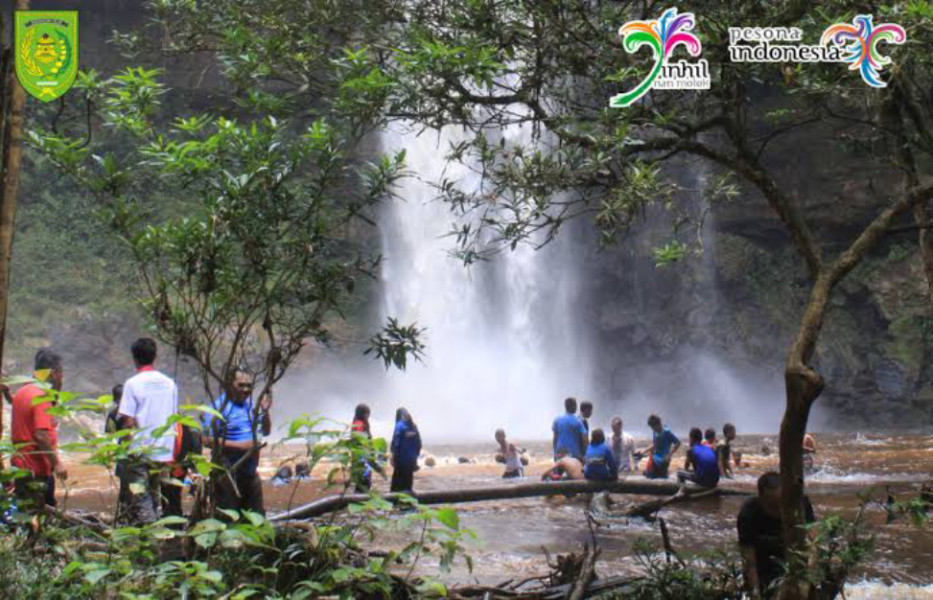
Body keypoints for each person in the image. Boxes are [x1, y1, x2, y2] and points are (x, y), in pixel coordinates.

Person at [118, 338, 179, 524]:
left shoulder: (132, 384)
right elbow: (174, 418)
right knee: (153, 495)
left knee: (140, 498)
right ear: (155, 357)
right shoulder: (170, 384)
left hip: (140, 451)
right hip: (162, 451)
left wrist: (127, 450)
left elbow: (127, 420)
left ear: (134, 358)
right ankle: (151, 539)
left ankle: (151, 538)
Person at [201, 370, 272, 516]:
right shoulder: (217, 408)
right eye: (241, 385)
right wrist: (241, 446)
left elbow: (266, 432)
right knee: (229, 520)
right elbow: (206, 439)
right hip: (228, 474)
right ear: (229, 385)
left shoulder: (251, 406)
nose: (246, 390)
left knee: (256, 520)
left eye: (249, 386)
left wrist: (265, 412)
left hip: (250, 473)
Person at [738, 472, 816, 598]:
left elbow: (813, 542)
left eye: (781, 504)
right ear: (761, 498)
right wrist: (755, 594)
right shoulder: (749, 512)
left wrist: (807, 580)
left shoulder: (800, 503)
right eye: (772, 505)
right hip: (764, 563)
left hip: (796, 560)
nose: (778, 510)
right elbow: (748, 559)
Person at [10, 349, 68, 511]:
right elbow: (41, 434)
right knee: (39, 516)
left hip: (20, 466)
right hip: (35, 469)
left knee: (27, 514)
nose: (62, 379)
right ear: (55, 373)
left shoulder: (23, 391)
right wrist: (57, 463)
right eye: (61, 374)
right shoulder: (41, 395)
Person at [351, 403, 382, 491]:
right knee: (363, 484)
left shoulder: (357, 423)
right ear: (364, 413)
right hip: (362, 460)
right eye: (368, 413)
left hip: (361, 460)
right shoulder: (359, 424)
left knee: (362, 484)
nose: (368, 416)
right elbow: (361, 442)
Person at [390, 408, 421, 493]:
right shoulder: (413, 426)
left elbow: (396, 443)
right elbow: (418, 444)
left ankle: (395, 503)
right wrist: (415, 457)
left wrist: (393, 457)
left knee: (396, 484)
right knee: (408, 484)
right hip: (411, 460)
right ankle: (408, 503)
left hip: (401, 460)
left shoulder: (399, 425)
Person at [639, 414, 680, 479]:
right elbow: (655, 444)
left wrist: (670, 454)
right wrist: (643, 451)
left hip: (664, 460)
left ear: (658, 424)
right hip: (656, 459)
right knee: (649, 476)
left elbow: (678, 442)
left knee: (662, 478)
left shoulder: (666, 432)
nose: (652, 429)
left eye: (653, 427)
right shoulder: (655, 432)